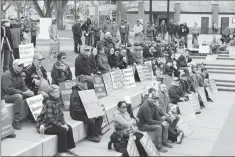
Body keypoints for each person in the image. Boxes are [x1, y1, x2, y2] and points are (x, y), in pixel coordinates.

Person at [36, 85, 79, 156]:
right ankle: (62, 152)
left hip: (53, 122)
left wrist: (64, 124)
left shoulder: (57, 101)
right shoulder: (49, 103)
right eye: (56, 92)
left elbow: (61, 115)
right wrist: (61, 125)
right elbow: (49, 119)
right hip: (45, 125)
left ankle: (70, 149)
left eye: (59, 91)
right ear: (51, 93)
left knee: (69, 127)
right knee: (62, 130)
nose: (58, 93)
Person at [1, 59, 34, 129]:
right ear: (13, 66)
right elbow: (9, 90)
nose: (21, 67)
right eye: (19, 65)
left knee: (32, 94)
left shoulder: (19, 74)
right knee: (19, 97)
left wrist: (28, 91)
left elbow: (23, 86)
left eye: (22, 65)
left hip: (15, 93)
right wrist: (23, 93)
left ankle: (33, 116)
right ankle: (17, 120)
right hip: (5, 96)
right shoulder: (6, 75)